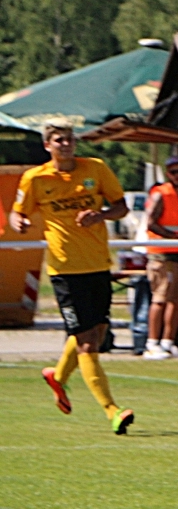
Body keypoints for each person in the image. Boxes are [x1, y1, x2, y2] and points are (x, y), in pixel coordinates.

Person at [16, 122, 133, 434]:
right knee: (87, 344)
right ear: (47, 145)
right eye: (59, 140)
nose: (66, 144)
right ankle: (113, 410)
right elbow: (18, 211)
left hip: (97, 264)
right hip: (65, 270)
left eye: (70, 139)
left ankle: (58, 376)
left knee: (96, 332)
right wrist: (21, 221)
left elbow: (121, 207)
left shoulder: (95, 168)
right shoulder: (36, 178)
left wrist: (102, 215)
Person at [142, 154, 178, 358]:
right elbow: (151, 222)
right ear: (167, 174)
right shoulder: (160, 194)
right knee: (160, 298)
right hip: (161, 254)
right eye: (174, 172)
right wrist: (173, 237)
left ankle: (168, 341)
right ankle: (152, 343)